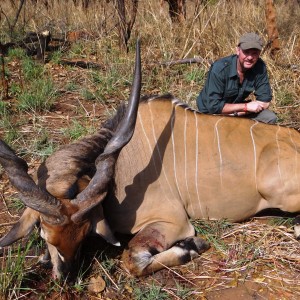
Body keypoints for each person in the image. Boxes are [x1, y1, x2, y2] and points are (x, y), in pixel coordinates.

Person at [196, 32, 277, 124]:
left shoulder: (259, 67)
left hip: (237, 112)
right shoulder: (220, 69)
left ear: (259, 54)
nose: (250, 57)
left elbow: (264, 101)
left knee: (270, 117)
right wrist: (245, 107)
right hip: (212, 114)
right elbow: (214, 106)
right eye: (246, 52)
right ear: (238, 50)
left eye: (254, 53)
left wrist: (238, 113)